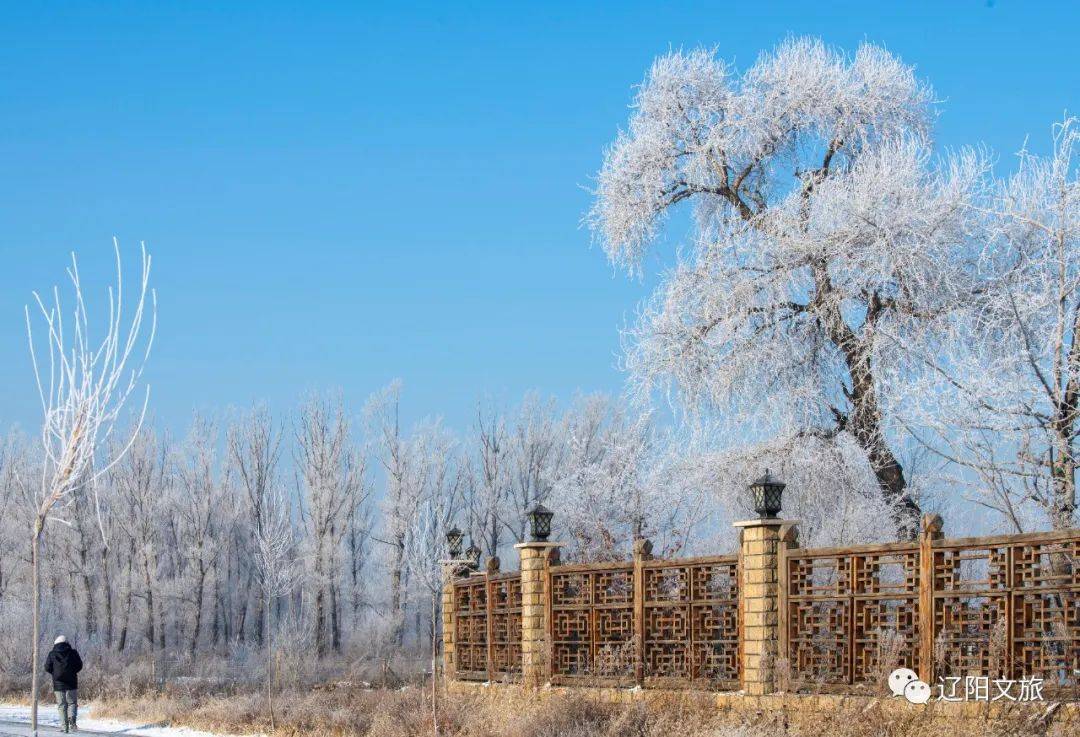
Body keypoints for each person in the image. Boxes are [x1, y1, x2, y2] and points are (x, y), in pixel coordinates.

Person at [44, 635, 82, 733]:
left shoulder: (52, 654)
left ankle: (64, 727)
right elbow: (79, 665)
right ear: (67, 642)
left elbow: (47, 667)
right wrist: (72, 672)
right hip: (72, 682)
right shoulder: (73, 652)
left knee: (62, 705)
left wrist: (54, 673)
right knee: (72, 702)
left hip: (58, 683)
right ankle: (72, 720)